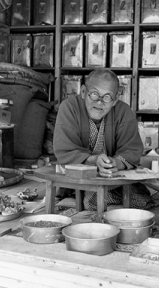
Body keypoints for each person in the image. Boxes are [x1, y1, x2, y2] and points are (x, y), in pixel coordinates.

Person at [53, 69, 152, 210]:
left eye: (107, 97)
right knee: (91, 201)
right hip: (81, 177)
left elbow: (132, 149)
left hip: (111, 179)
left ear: (115, 99)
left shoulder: (124, 111)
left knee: (140, 199)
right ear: (83, 92)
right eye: (94, 94)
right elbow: (65, 149)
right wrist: (93, 161)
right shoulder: (69, 108)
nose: (99, 102)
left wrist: (116, 163)